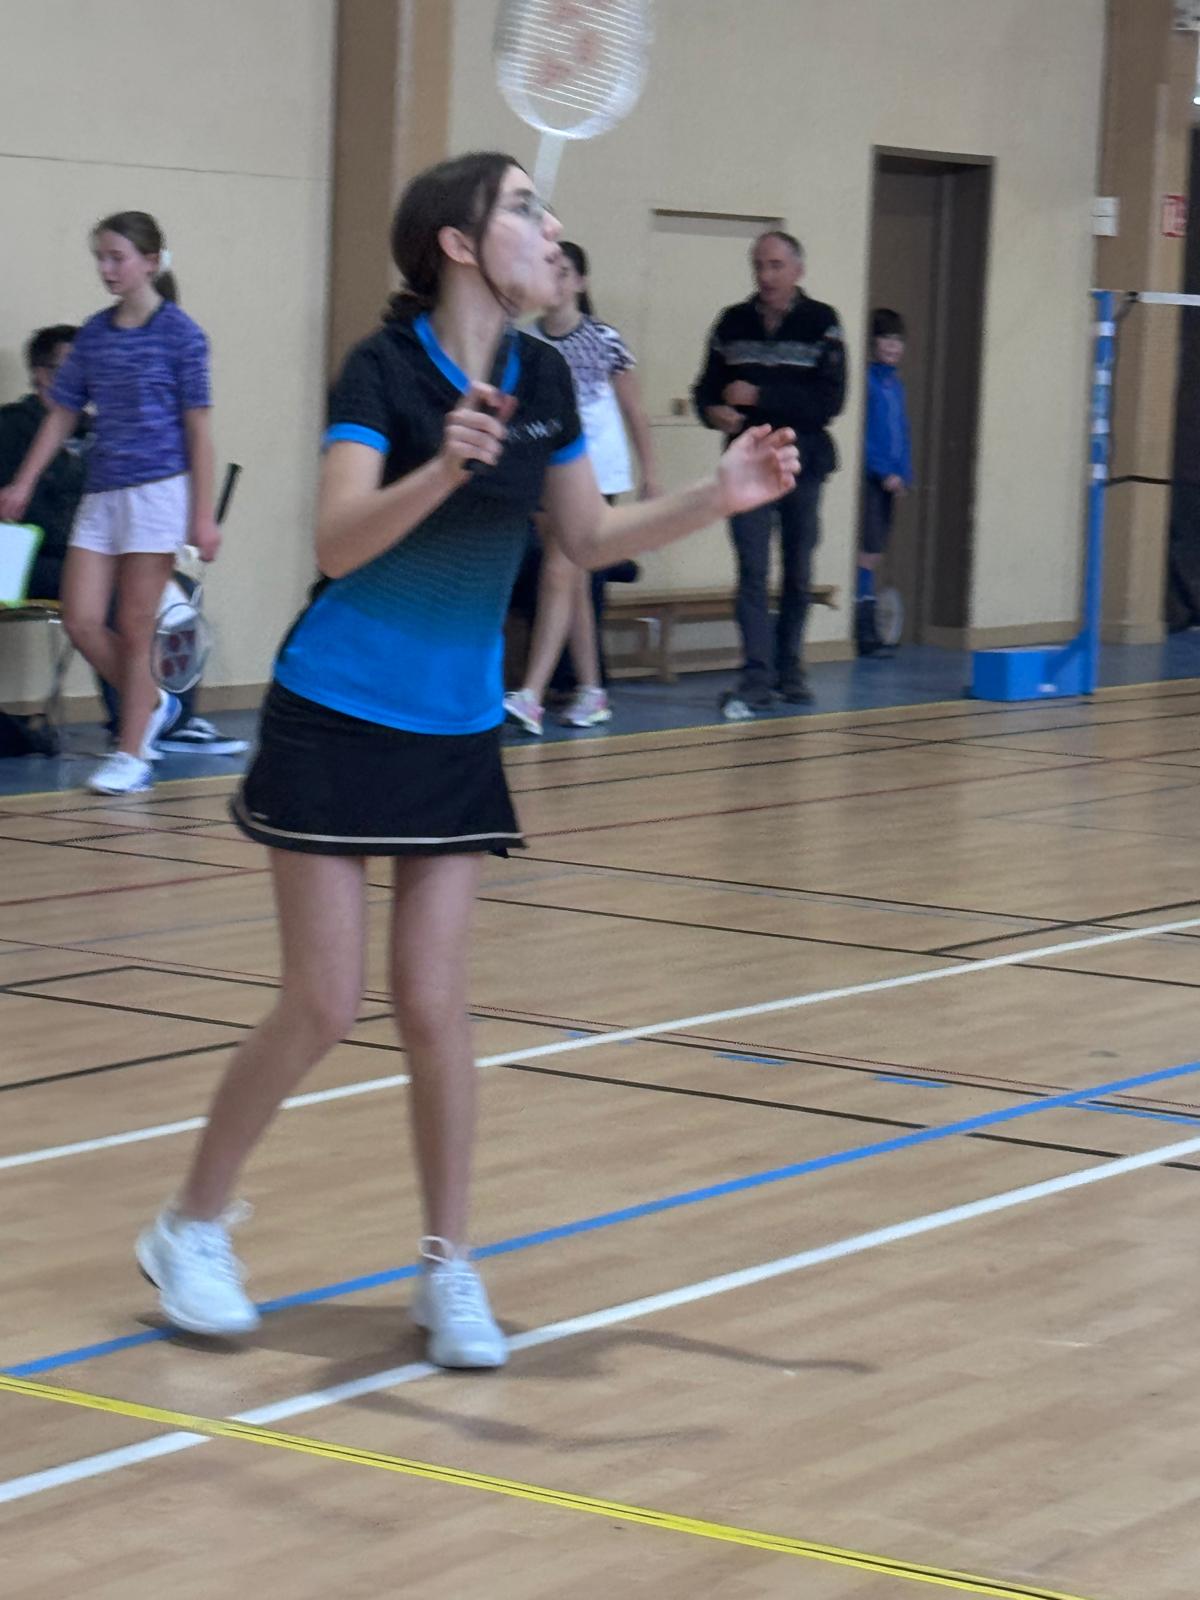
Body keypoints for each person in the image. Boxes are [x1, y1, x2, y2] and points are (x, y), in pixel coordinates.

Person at [131, 151, 798, 1370]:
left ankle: (449, 1268)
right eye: (525, 209)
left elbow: (586, 537)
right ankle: (191, 1225)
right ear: (456, 240)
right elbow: (336, 543)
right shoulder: (383, 370)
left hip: (453, 725)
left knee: (436, 1008)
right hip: (338, 709)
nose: (551, 226)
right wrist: (442, 465)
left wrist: (719, 495)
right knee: (324, 1002)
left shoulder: (545, 375)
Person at [0, 212, 220, 794]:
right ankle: (152, 705)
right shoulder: (95, 334)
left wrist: (202, 516)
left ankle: (132, 751)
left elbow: (198, 431)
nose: (106, 269)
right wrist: (23, 482)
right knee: (80, 618)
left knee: (136, 621)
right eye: (100, 257)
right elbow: (63, 414)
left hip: (157, 493)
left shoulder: (181, 335)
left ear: (149, 261)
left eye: (117, 257)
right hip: (102, 495)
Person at [504, 241, 660, 735]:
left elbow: (634, 410)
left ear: (580, 282)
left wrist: (651, 472)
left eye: (565, 271)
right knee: (569, 581)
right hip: (546, 472)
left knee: (559, 570)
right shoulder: (526, 342)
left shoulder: (605, 339)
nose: (556, 278)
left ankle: (532, 694)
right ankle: (592, 690)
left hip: (597, 475)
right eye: (549, 268)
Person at [693, 229, 845, 717]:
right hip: (748, 463)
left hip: (803, 460)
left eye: (776, 266)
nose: (766, 275)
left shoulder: (822, 323)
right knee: (752, 572)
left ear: (798, 270)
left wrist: (760, 397)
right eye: (759, 265)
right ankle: (756, 677)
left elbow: (828, 401)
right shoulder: (732, 322)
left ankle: (790, 670)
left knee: (798, 571)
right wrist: (713, 412)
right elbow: (706, 390)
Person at [0, 325, 87, 602]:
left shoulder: (95, 432)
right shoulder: (10, 426)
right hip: (19, 557)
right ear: (42, 374)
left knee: (174, 583)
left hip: (82, 557)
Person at [858, 307, 913, 658]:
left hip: (892, 481)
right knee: (866, 554)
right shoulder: (868, 382)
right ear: (873, 343)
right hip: (872, 478)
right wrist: (883, 471)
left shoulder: (896, 386)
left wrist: (904, 473)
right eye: (885, 339)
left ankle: (870, 626)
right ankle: (864, 630)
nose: (892, 346)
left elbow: (901, 433)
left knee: (875, 553)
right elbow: (864, 435)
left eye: (897, 340)